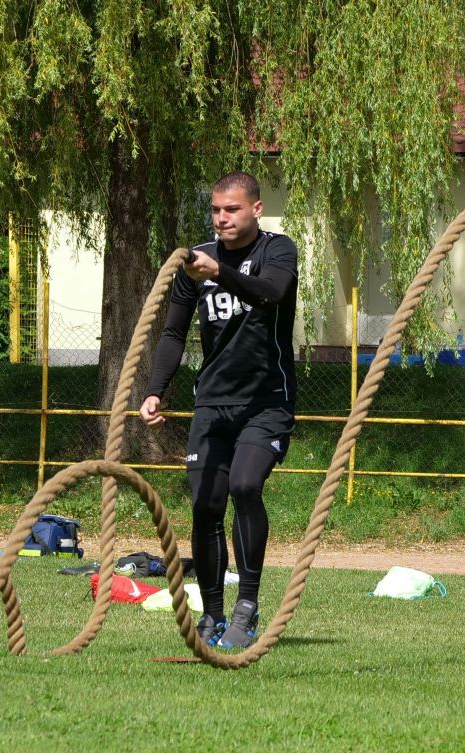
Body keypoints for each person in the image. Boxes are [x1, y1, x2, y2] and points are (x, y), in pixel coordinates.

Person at [139, 171, 298, 650]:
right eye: (215, 210)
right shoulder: (194, 262)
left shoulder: (278, 249)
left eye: (231, 209)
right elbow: (173, 333)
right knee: (206, 506)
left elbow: (269, 293)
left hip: (265, 400)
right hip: (212, 402)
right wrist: (155, 390)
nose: (222, 218)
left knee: (245, 486)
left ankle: (247, 607)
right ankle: (212, 613)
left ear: (255, 209)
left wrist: (220, 272)